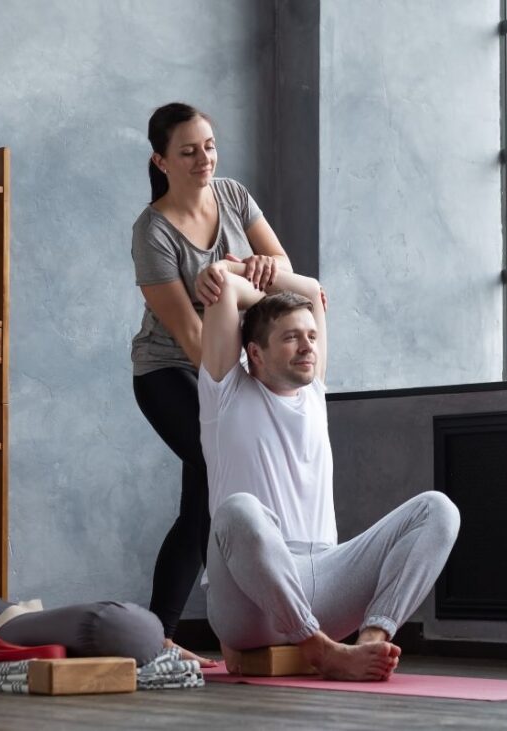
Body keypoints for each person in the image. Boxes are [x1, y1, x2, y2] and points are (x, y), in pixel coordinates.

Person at [195, 261, 461, 681]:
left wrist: (253, 270)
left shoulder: (314, 393)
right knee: (238, 510)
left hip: (324, 579)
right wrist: (233, 269)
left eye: (311, 337)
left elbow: (312, 290)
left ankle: (371, 639)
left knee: (438, 510)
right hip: (249, 600)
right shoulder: (225, 392)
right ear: (255, 353)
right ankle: (320, 650)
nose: (307, 346)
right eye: (291, 338)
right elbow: (224, 288)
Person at [130, 102, 293, 662]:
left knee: (203, 498)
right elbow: (193, 339)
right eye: (188, 150)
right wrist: (248, 383)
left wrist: (237, 269)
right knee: (210, 475)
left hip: (233, 363)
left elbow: (284, 277)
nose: (204, 158)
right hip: (170, 371)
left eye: (210, 146)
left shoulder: (233, 195)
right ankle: (184, 632)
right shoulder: (152, 233)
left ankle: (162, 636)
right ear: (161, 160)